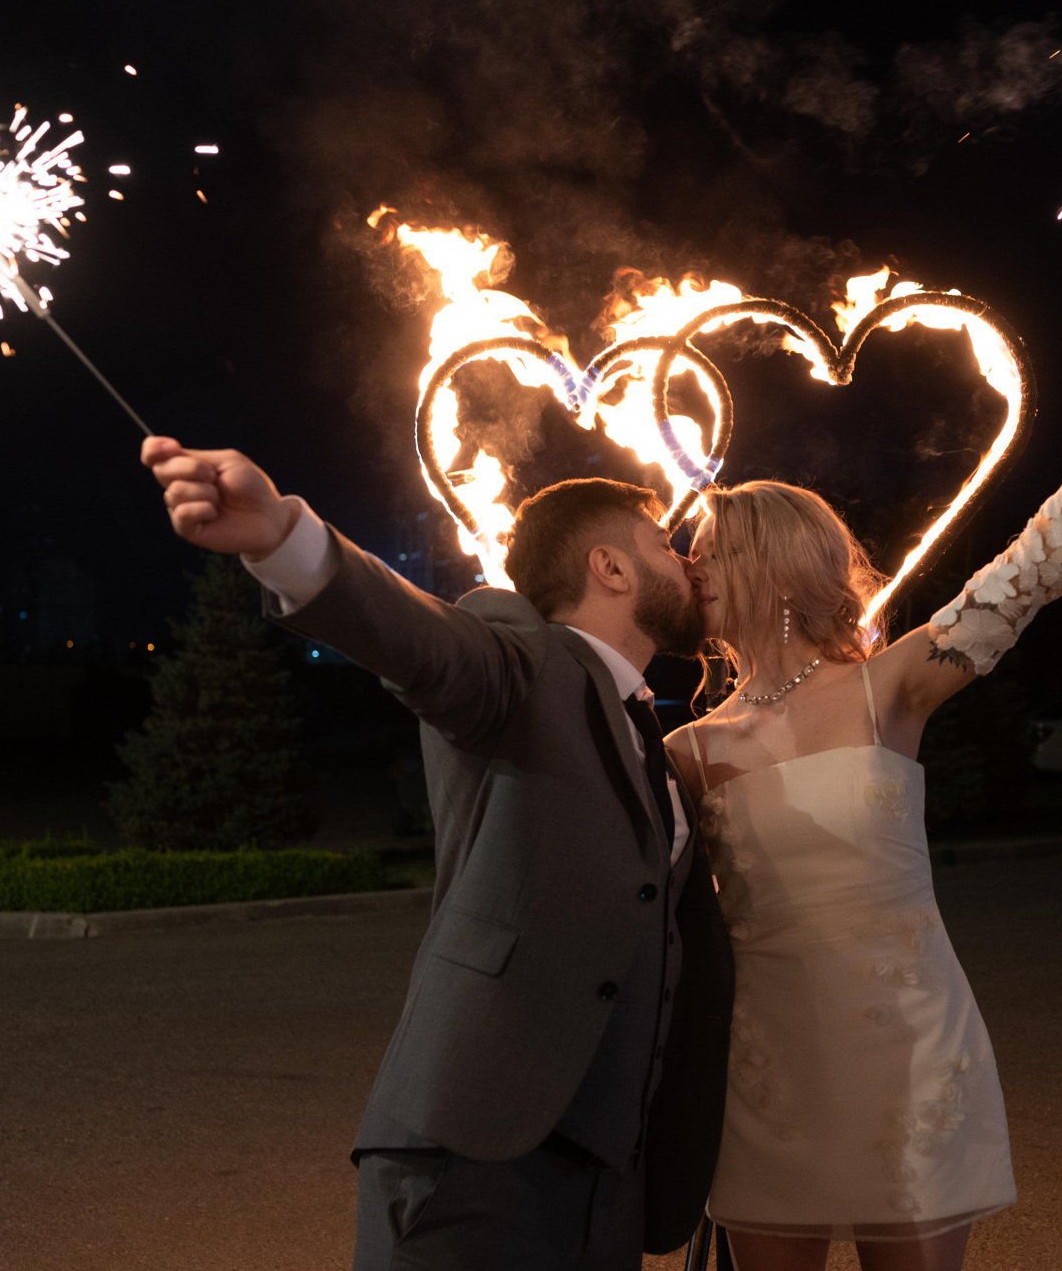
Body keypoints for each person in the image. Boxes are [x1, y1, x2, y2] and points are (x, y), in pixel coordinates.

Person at [666, 308, 1062, 1270]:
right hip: (766, 1077)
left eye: (713, 549)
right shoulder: (689, 748)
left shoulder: (889, 687)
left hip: (909, 1056)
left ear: (774, 562)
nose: (693, 568)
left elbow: (1042, 563)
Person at [142, 449, 736, 1270]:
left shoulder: (648, 738)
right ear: (610, 567)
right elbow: (421, 643)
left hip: (605, 1190)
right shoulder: (519, 660)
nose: (687, 560)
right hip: (474, 1164)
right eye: (665, 544)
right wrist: (284, 537)